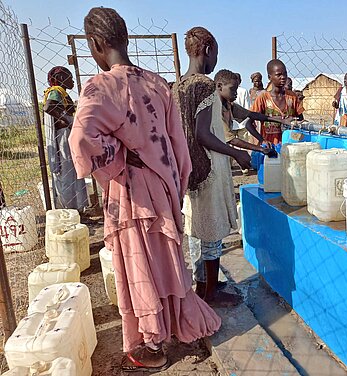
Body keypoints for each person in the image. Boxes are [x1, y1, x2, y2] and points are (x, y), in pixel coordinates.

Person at [69, 8, 220, 372]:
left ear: (95, 44)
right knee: (166, 261)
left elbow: (81, 139)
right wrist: (172, 182)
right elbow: (177, 146)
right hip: (163, 186)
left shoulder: (101, 87)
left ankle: (151, 344)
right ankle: (174, 325)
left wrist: (118, 162)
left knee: (139, 265)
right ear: (124, 38)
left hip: (131, 193)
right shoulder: (157, 83)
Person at [173, 26, 251, 307]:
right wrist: (237, 154)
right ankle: (211, 294)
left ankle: (205, 285)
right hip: (209, 166)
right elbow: (203, 133)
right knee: (213, 230)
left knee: (199, 228)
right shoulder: (204, 84)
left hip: (190, 168)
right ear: (207, 50)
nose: (215, 59)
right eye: (215, 53)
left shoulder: (178, 84)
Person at [43, 67, 88, 211]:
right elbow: (49, 107)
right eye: (70, 78)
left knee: (73, 172)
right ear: (61, 79)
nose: (73, 81)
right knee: (67, 174)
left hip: (65, 135)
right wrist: (67, 121)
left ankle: (77, 209)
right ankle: (70, 210)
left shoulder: (61, 94)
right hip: (62, 137)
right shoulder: (56, 91)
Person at [215, 69, 291, 154]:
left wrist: (281, 120)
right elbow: (232, 140)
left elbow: (251, 114)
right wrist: (260, 149)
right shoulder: (215, 109)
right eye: (232, 89)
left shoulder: (228, 105)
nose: (235, 93)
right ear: (219, 86)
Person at [251, 59, 304, 144]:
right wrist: (262, 140)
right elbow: (249, 123)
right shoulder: (263, 98)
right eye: (278, 75)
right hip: (271, 147)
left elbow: (301, 119)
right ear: (269, 77)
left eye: (285, 74)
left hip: (290, 145)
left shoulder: (292, 97)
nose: (283, 77)